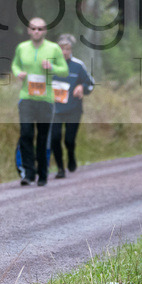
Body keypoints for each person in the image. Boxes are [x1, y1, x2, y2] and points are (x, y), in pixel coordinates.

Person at [11, 17, 68, 187]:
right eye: (33, 29)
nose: (36, 32)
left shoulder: (53, 48)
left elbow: (64, 70)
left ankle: (42, 174)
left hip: (46, 100)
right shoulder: (22, 48)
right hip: (27, 98)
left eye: (40, 29)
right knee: (26, 134)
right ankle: (28, 173)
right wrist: (18, 73)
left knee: (43, 138)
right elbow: (14, 65)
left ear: (45, 31)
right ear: (28, 30)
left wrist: (52, 68)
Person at [50, 34, 94, 178]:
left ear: (71, 50)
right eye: (62, 49)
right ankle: (60, 169)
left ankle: (70, 154)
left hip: (73, 109)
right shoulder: (50, 66)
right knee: (55, 138)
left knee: (69, 139)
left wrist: (82, 87)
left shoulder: (78, 65)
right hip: (55, 109)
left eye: (67, 49)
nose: (65, 52)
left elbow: (90, 83)